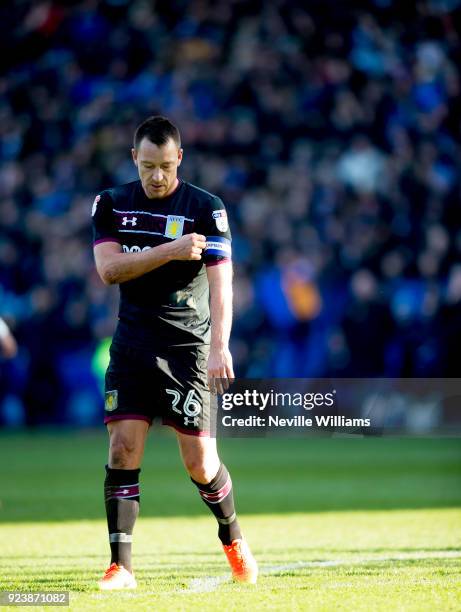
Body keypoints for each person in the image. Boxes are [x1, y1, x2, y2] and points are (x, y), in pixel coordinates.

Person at [92, 116, 258, 589]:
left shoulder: (207, 208)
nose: (157, 177)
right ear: (134, 159)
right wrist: (170, 250)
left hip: (188, 346)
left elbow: (222, 282)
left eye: (165, 166)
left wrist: (220, 345)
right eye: (148, 166)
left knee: (200, 462)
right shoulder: (112, 203)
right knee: (122, 448)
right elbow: (109, 270)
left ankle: (233, 536)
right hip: (132, 342)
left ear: (179, 159)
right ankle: (121, 566)